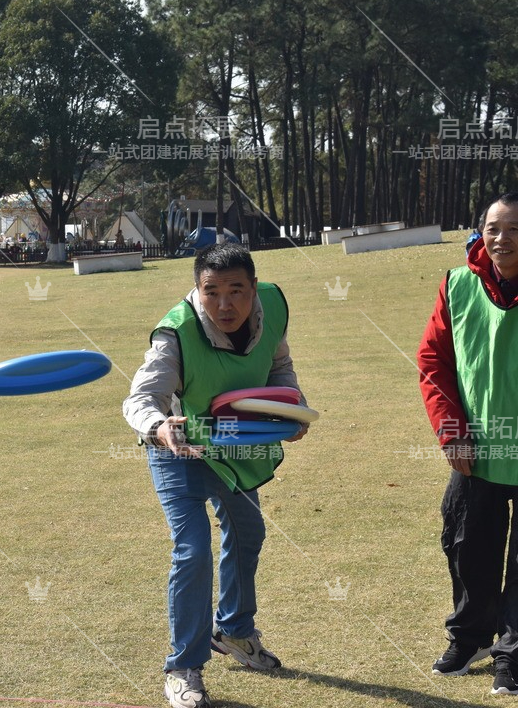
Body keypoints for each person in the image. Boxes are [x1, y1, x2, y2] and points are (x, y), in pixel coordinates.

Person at [123, 242, 308, 708]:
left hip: (232, 443)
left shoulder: (273, 307)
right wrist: (159, 425)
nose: (224, 304)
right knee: (193, 548)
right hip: (178, 446)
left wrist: (289, 407)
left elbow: (279, 364)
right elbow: (140, 399)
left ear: (253, 288)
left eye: (236, 291)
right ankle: (183, 666)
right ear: (197, 290)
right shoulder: (175, 333)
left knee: (248, 532)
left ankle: (236, 632)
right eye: (211, 292)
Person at [418, 191, 518, 696]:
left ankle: (514, 653)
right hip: (477, 448)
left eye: (515, 229)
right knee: (464, 543)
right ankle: (472, 635)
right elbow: (433, 363)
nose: (502, 239)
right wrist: (451, 431)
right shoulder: (458, 285)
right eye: (494, 227)